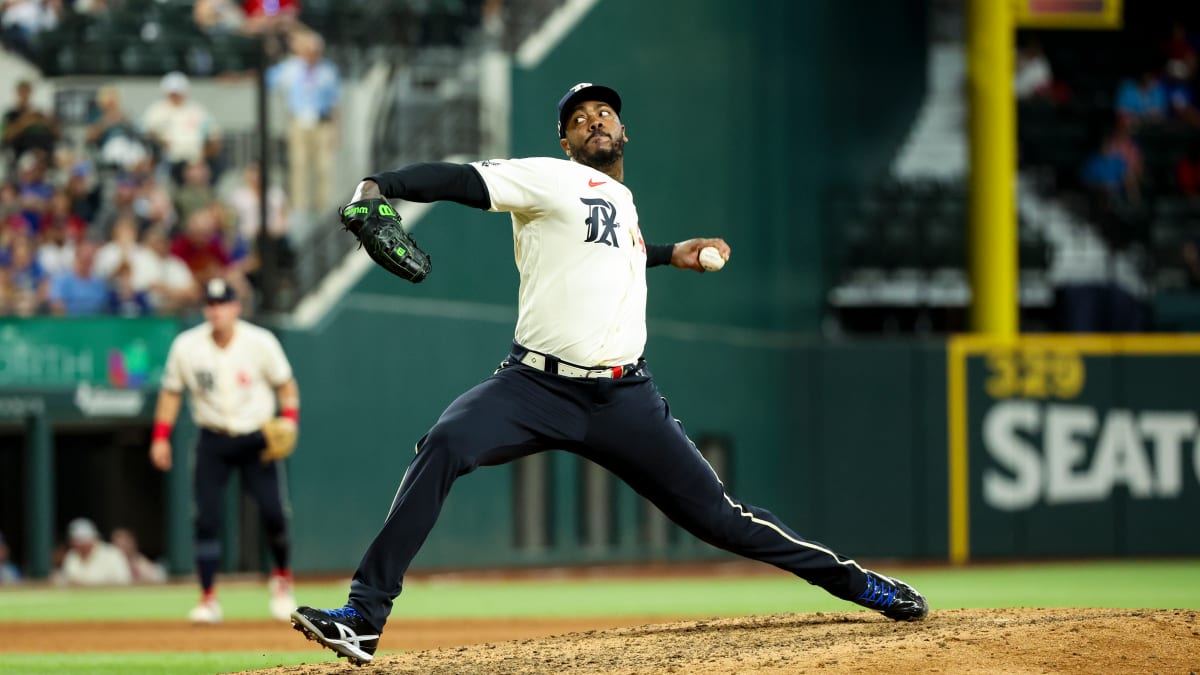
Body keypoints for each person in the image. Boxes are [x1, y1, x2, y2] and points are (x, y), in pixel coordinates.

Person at [290, 82, 929, 666]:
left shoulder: (620, 200)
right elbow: (459, 179)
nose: (594, 119)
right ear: (564, 141)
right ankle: (363, 617)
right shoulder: (548, 178)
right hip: (532, 387)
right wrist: (382, 185)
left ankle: (862, 585)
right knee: (445, 443)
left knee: (723, 519)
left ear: (624, 134)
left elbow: (609, 254)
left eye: (604, 112)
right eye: (578, 117)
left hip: (626, 399)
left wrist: (665, 254)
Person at [149, 277, 300, 623]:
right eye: (211, 304)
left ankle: (281, 581)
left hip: (256, 437)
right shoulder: (188, 346)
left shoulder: (260, 342)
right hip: (213, 438)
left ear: (236, 307)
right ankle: (208, 598)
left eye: (223, 304)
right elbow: (171, 391)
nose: (216, 310)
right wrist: (160, 437)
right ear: (206, 309)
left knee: (274, 513)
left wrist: (289, 419)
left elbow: (286, 384)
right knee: (206, 518)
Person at [267, 30, 339, 215]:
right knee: (299, 164)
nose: (311, 54)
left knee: (324, 165)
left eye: (315, 50)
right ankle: (300, 204)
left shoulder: (328, 70)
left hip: (322, 122)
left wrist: (336, 129)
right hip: (299, 121)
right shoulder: (291, 68)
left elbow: (335, 102)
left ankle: (323, 204)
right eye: (308, 50)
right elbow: (269, 78)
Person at [141, 72, 222, 187]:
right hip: (170, 158)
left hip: (198, 158)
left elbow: (214, 134)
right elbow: (146, 132)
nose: (175, 95)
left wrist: (202, 158)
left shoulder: (197, 110)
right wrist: (160, 141)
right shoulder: (156, 111)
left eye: (178, 92)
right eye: (173, 92)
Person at [59, 517, 132, 586]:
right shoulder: (71, 555)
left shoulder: (112, 554)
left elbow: (124, 582)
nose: (79, 545)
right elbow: (65, 580)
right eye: (76, 542)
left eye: (82, 541)